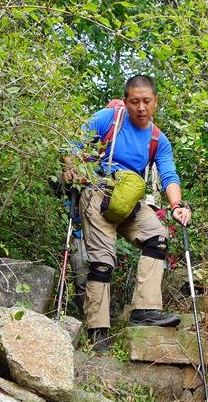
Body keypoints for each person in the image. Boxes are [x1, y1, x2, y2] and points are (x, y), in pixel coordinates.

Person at [62, 75, 192, 351]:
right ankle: (98, 331)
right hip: (97, 192)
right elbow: (72, 145)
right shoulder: (107, 119)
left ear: (155, 102)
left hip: (130, 199)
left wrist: (177, 206)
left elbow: (169, 175)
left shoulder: (158, 139)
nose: (141, 107)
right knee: (102, 261)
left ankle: (144, 310)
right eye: (135, 101)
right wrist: (70, 166)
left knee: (156, 237)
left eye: (146, 101)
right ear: (126, 101)